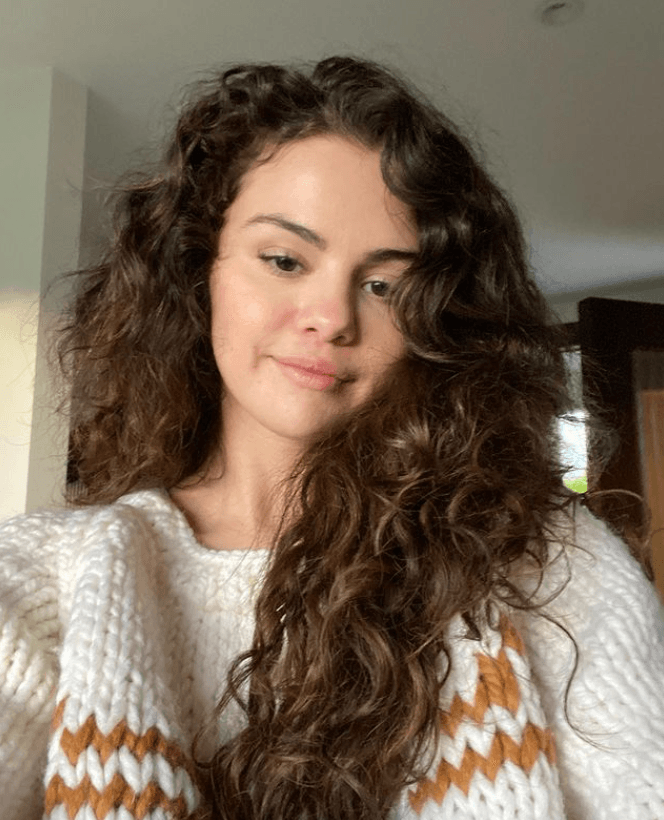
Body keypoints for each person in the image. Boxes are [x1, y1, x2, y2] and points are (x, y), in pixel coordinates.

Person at [0, 56, 663, 820]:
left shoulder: (550, 569)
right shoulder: (43, 583)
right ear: (197, 268)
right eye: (285, 260)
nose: (333, 317)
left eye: (384, 285)